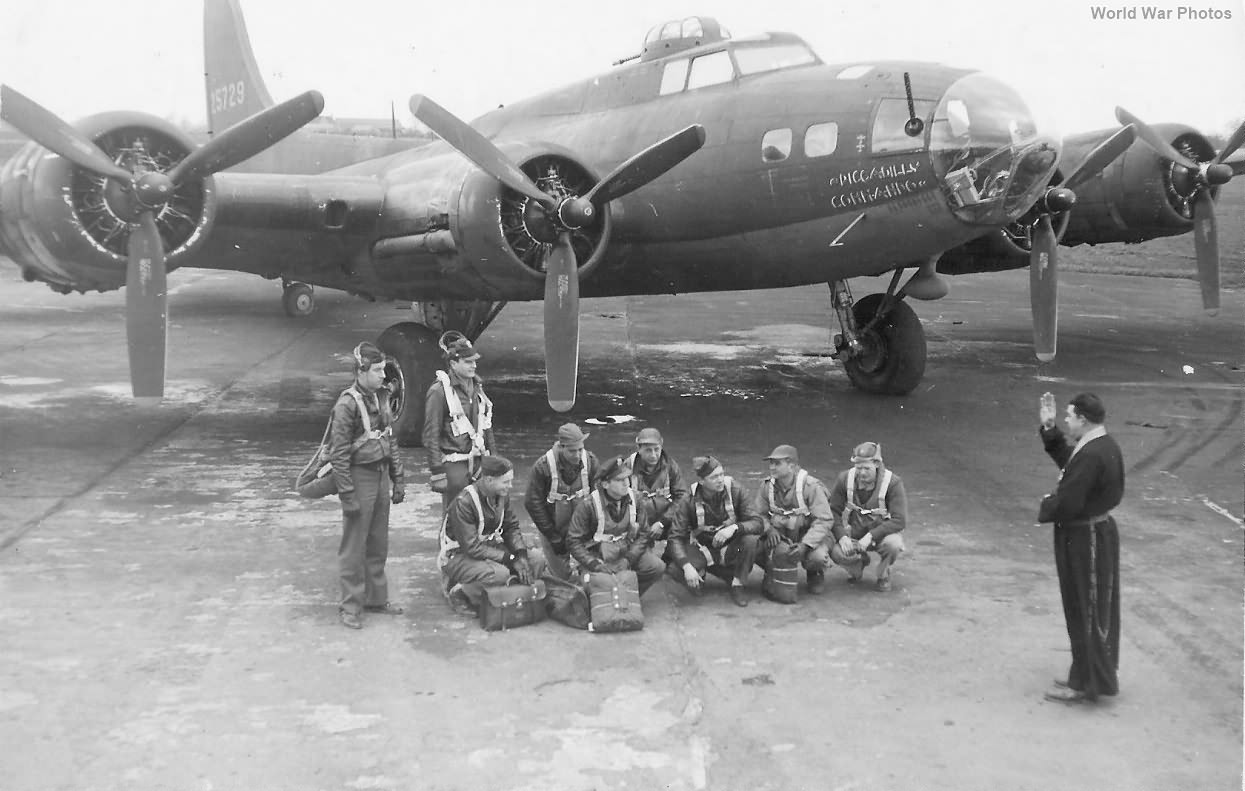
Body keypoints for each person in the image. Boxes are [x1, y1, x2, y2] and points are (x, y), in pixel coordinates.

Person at [1037, 392, 1124, 704]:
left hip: (1084, 539)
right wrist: (1050, 430)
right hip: (1095, 534)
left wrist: (1047, 505)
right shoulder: (1101, 445)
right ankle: (1091, 674)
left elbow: (1070, 501)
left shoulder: (1091, 454)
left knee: (1083, 609)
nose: (1066, 420)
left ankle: (1083, 682)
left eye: (1069, 416)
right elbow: (1072, 466)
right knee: (1092, 609)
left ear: (1083, 420)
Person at [327, 342, 406, 630]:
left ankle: (375, 598)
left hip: (381, 475)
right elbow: (338, 454)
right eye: (377, 370)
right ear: (361, 371)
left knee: (378, 542)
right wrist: (347, 494)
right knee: (354, 546)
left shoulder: (381, 397)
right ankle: (350, 606)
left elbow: (389, 439)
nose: (384, 376)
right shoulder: (346, 405)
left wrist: (398, 477)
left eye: (384, 370)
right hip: (359, 477)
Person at [438, 455, 546, 615]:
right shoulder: (464, 502)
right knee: (499, 574)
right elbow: (471, 547)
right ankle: (461, 592)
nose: (510, 486)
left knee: (536, 560)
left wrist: (520, 555)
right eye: (505, 482)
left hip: (488, 547)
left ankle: (511, 595)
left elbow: (511, 527)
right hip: (458, 555)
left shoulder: (501, 496)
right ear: (489, 480)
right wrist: (510, 559)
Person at [667, 455, 762, 606]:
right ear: (701, 481)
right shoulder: (688, 499)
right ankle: (710, 574)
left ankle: (738, 583)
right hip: (703, 547)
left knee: (751, 540)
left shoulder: (736, 490)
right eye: (714, 477)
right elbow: (675, 537)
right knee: (674, 569)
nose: (720, 480)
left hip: (731, 546)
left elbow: (757, 523)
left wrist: (734, 528)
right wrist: (687, 567)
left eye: (721, 474)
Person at [566, 456, 666, 596]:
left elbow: (644, 534)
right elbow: (573, 541)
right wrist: (594, 564)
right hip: (597, 555)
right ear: (605, 484)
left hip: (626, 551)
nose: (626, 483)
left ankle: (630, 595)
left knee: (656, 567)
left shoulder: (636, 499)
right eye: (619, 480)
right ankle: (599, 598)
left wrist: (629, 559)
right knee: (592, 583)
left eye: (627, 478)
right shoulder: (588, 505)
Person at [422, 333, 495, 517]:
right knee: (455, 519)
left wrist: (494, 461)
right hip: (455, 467)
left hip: (479, 464)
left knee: (481, 517)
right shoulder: (439, 392)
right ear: (453, 364)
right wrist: (437, 472)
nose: (474, 365)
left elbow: (486, 426)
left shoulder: (477, 389)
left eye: (475, 361)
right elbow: (431, 435)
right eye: (468, 362)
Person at [827, 442, 908, 592]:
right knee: (836, 551)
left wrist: (871, 536)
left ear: (877, 464)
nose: (862, 473)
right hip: (855, 531)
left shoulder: (893, 483)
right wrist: (842, 536)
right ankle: (857, 564)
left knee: (893, 545)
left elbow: (900, 520)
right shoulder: (845, 478)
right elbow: (832, 511)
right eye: (859, 468)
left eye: (866, 468)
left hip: (882, 534)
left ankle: (883, 575)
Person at [755, 445, 834, 594]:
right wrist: (769, 529)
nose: (772, 467)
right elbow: (758, 515)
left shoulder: (811, 486)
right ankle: (772, 571)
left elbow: (824, 520)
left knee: (817, 557)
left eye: (777, 463)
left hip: (807, 535)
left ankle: (814, 573)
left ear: (791, 466)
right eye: (771, 463)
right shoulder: (766, 486)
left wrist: (806, 545)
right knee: (753, 544)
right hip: (781, 536)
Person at [524, 423, 599, 580]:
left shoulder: (591, 462)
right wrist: (552, 536)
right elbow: (532, 503)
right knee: (560, 578)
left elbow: (599, 499)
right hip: (553, 528)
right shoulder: (543, 467)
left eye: (580, 449)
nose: (577, 455)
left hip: (583, 528)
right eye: (572, 451)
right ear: (561, 447)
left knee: (593, 574)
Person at [627, 427, 687, 546]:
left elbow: (682, 497)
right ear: (639, 449)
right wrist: (635, 525)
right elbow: (617, 499)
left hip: (665, 522)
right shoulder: (628, 467)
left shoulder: (670, 466)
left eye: (656, 449)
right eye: (648, 450)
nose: (653, 455)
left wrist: (662, 523)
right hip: (638, 524)